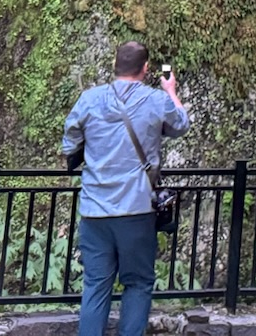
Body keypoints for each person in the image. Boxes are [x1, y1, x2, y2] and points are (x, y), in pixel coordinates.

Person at [63, 43, 189, 336]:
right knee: (138, 282)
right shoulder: (156, 100)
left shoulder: (89, 99)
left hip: (94, 210)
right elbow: (181, 125)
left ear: (114, 64)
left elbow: (69, 145)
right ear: (145, 69)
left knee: (95, 285)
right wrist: (171, 91)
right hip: (136, 209)